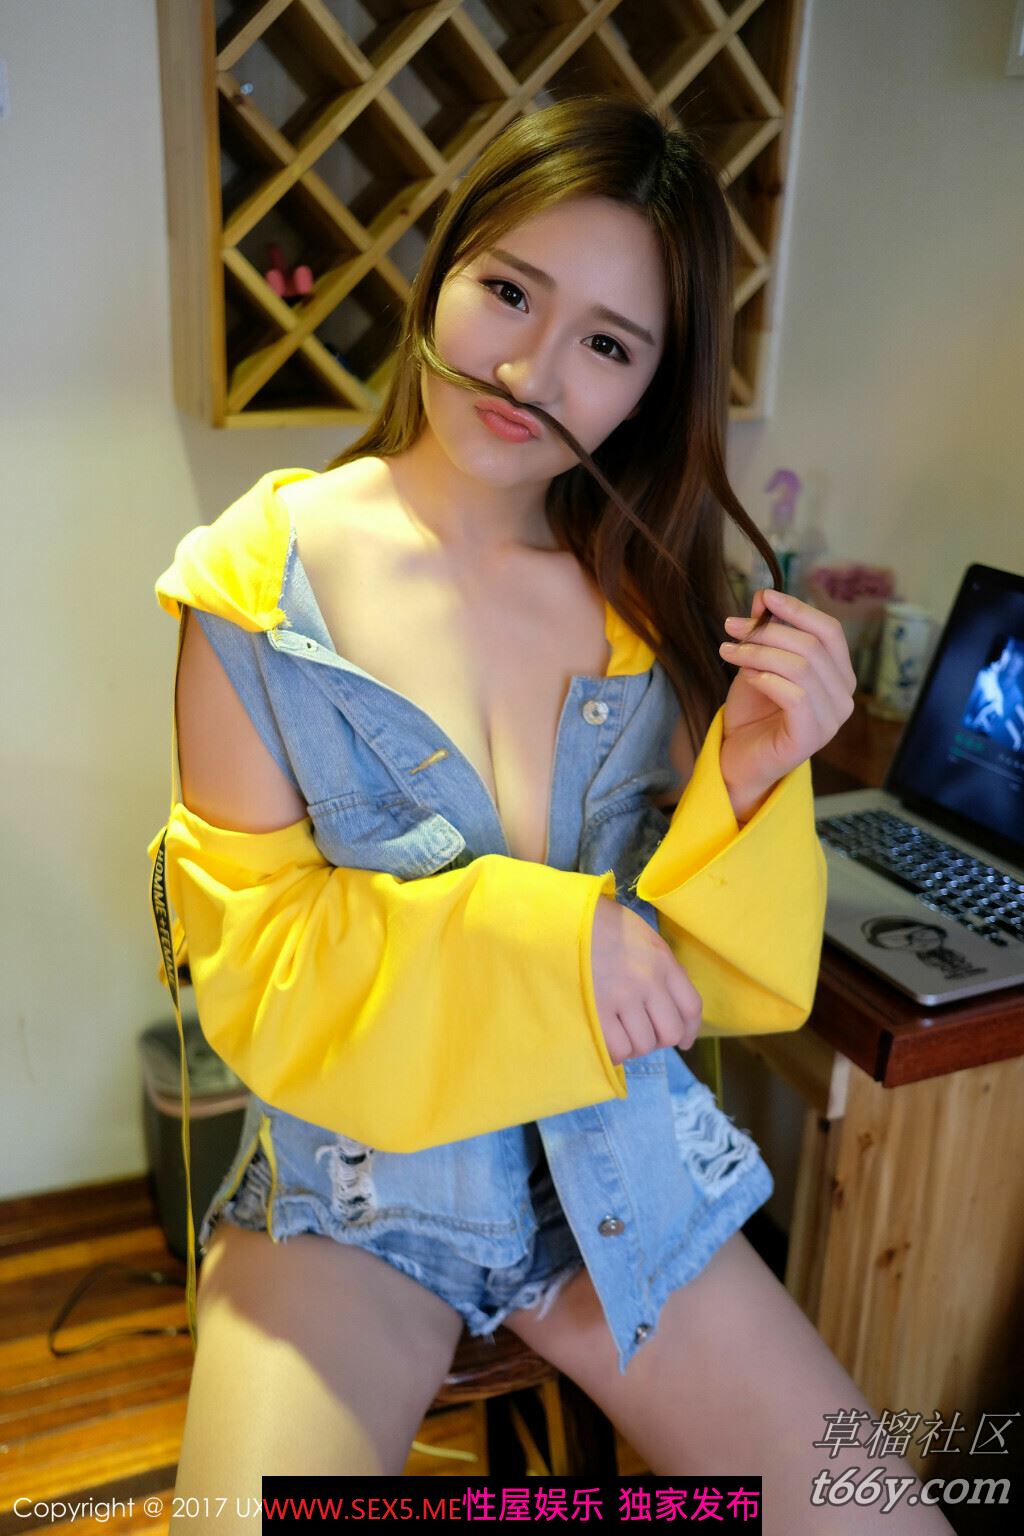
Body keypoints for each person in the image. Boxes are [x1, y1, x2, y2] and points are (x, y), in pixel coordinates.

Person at [153, 96, 954, 1529]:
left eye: (608, 343)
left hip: (626, 1171)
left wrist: (753, 776)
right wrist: (545, 934)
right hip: (360, 1196)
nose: (530, 369)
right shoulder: (259, 590)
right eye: (510, 291)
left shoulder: (657, 603)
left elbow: (693, 984)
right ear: (443, 270)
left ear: (652, 386)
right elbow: (252, 967)